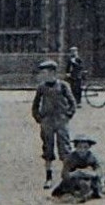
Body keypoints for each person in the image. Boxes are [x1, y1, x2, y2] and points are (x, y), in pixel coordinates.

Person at [31, 58, 77, 189]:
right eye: (42, 73)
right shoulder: (41, 87)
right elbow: (35, 105)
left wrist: (68, 115)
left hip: (61, 121)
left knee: (65, 148)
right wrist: (39, 118)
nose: (43, 75)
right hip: (47, 122)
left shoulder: (63, 86)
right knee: (47, 149)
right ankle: (48, 177)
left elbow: (72, 102)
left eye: (45, 72)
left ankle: (67, 177)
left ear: (52, 72)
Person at [51, 134, 104, 203]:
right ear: (75, 147)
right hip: (74, 180)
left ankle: (90, 192)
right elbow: (64, 174)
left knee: (94, 184)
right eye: (79, 147)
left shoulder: (93, 157)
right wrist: (75, 173)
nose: (82, 150)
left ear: (89, 147)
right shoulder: (70, 158)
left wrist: (91, 173)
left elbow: (99, 171)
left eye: (85, 147)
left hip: (88, 178)